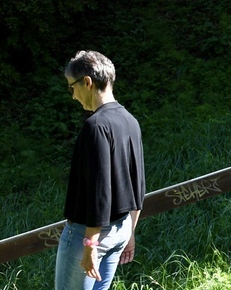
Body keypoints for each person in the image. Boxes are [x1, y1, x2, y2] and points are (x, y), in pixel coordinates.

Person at [56, 51, 145, 290]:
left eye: (72, 88)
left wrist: (90, 244)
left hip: (89, 234)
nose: (73, 96)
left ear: (87, 82)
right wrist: (130, 233)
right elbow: (138, 185)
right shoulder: (130, 121)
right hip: (121, 229)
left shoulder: (95, 127)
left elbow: (99, 190)